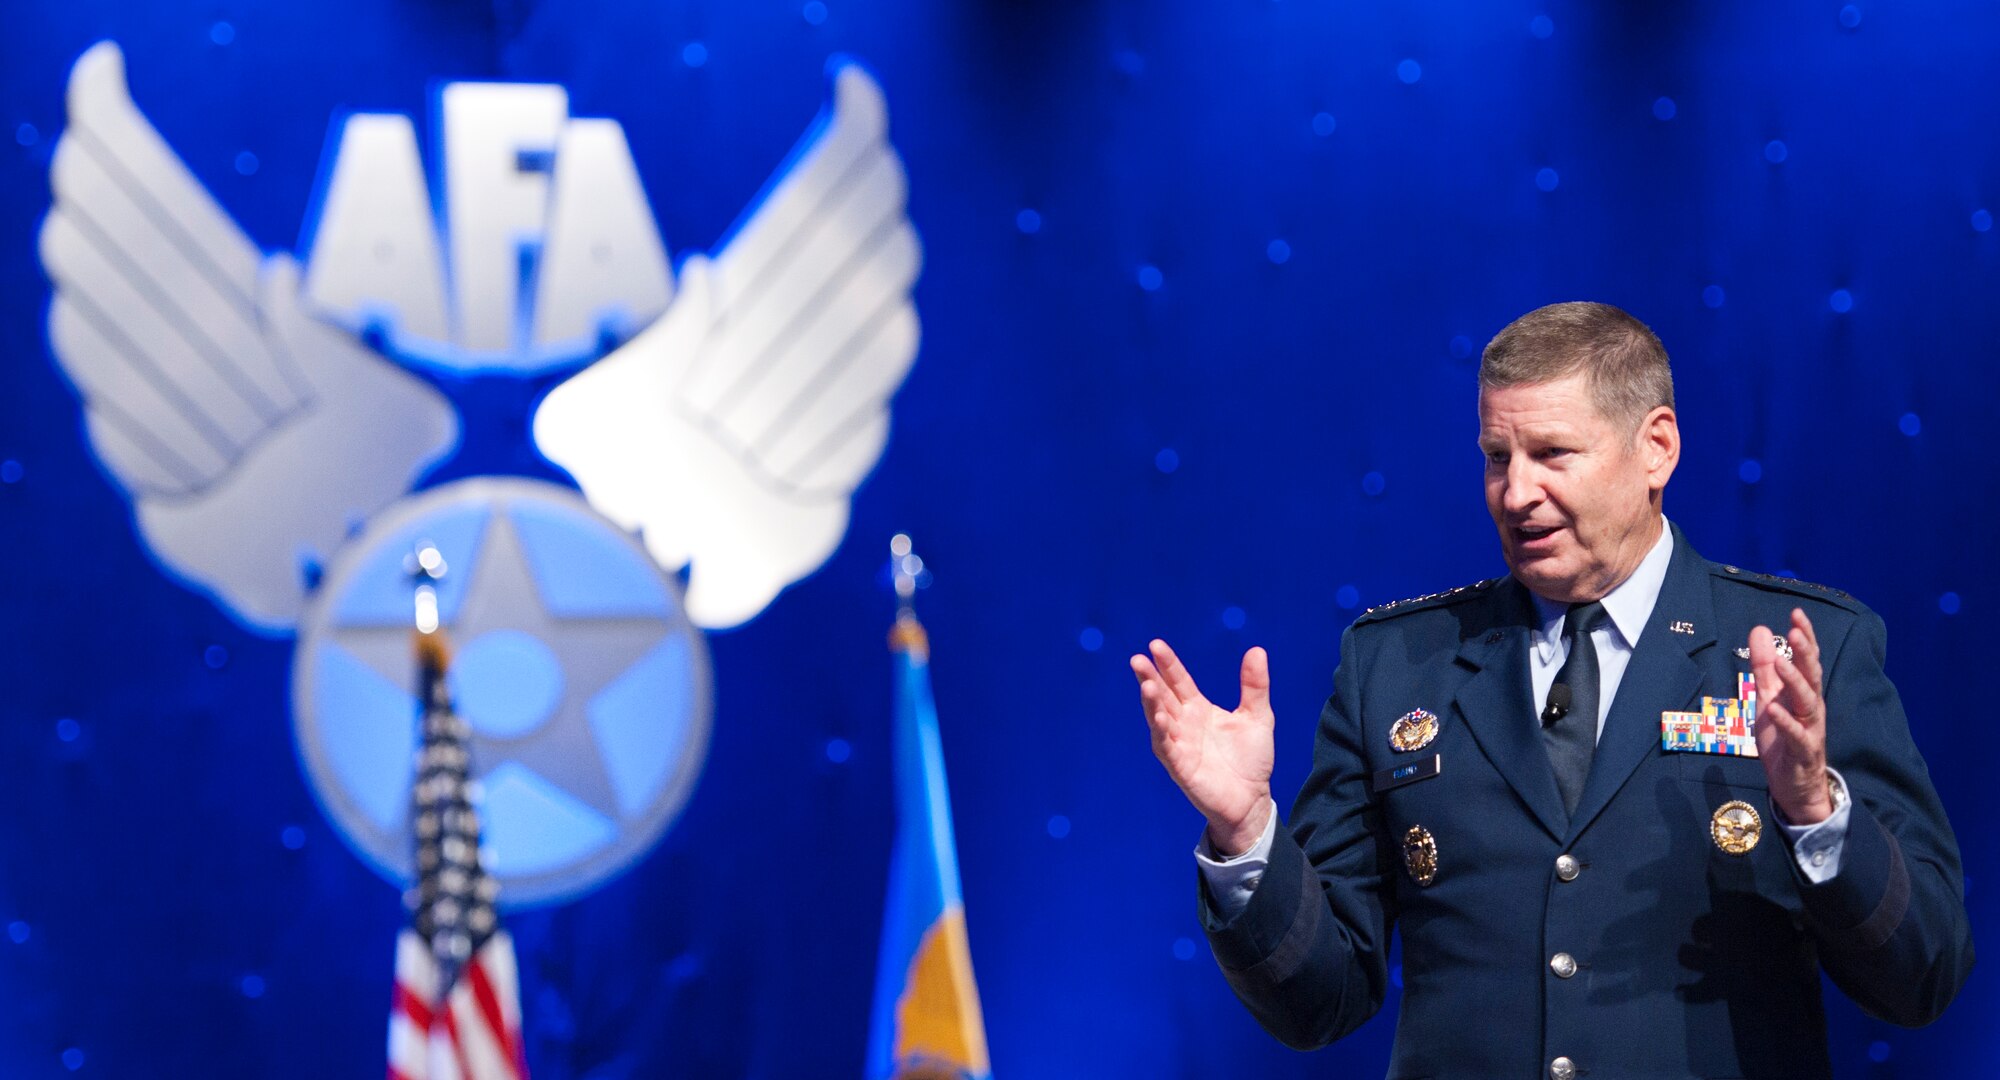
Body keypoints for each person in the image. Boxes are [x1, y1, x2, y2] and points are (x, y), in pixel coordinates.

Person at [1133, 302, 1973, 1080]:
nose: (1517, 492)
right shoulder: (1394, 665)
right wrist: (1246, 834)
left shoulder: (1807, 653)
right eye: (1497, 458)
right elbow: (1321, 1001)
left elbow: (1923, 976)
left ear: (1658, 448)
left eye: (1552, 454)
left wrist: (1818, 814)